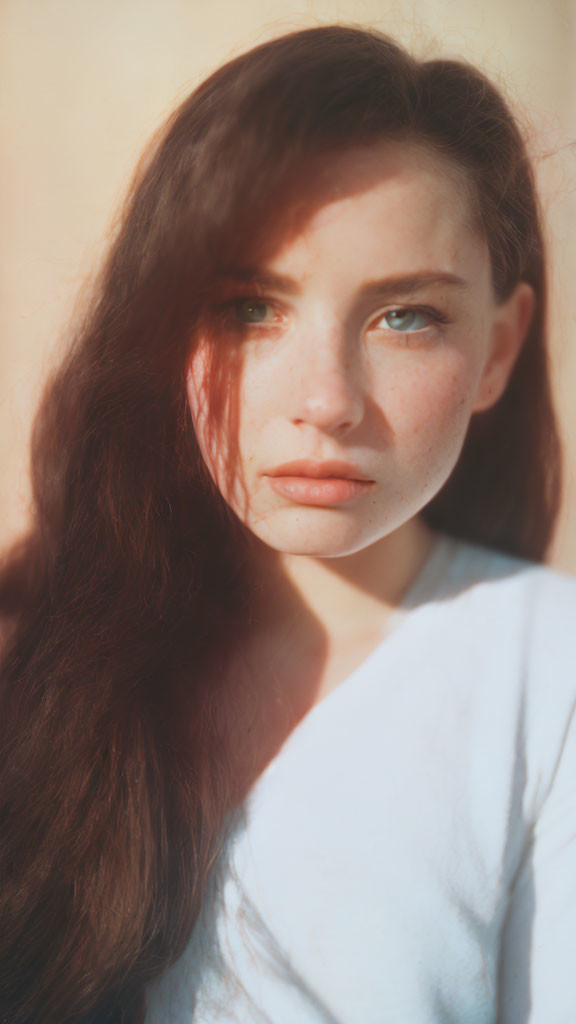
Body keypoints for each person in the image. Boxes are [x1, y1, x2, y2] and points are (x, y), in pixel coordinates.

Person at [0, 21, 574, 1024]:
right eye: (248, 310)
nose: (327, 400)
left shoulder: (545, 670)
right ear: (161, 327)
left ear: (499, 345)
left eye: (407, 316)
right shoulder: (39, 651)